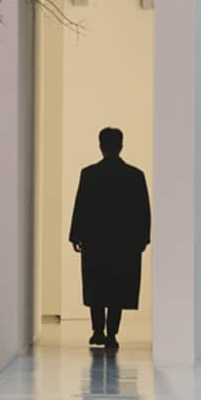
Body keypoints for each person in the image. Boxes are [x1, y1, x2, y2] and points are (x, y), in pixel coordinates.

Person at [68, 127, 150, 352]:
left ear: (100, 145)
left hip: (95, 240)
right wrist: (143, 238)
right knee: (118, 286)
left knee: (96, 283)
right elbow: (143, 210)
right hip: (124, 241)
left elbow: (81, 206)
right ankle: (112, 333)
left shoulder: (89, 174)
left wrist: (75, 235)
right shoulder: (134, 175)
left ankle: (97, 331)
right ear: (121, 145)